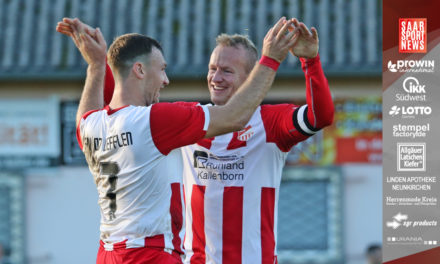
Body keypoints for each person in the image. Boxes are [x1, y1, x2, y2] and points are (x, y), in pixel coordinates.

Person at [57, 17, 300, 264]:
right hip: (150, 254)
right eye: (161, 69)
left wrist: (96, 65)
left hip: (108, 253)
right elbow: (234, 117)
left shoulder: (90, 126)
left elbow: (89, 112)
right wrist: (271, 59)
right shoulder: (154, 121)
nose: (166, 80)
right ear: (140, 70)